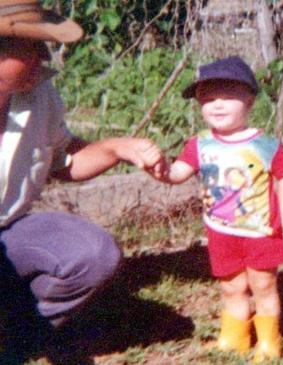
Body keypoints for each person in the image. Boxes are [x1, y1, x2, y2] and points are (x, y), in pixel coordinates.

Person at [0, 0, 164, 362]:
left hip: (8, 231)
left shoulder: (38, 94)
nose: (43, 57)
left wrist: (116, 148)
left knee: (91, 253)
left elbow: (63, 160)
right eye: (31, 44)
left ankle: (22, 334)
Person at [158, 56, 283, 363]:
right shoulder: (199, 144)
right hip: (221, 231)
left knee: (263, 285)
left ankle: (269, 343)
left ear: (249, 100)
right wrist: (158, 167)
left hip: (260, 230)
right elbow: (178, 173)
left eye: (227, 96)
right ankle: (234, 339)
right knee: (231, 286)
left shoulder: (264, 145)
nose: (217, 105)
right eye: (207, 99)